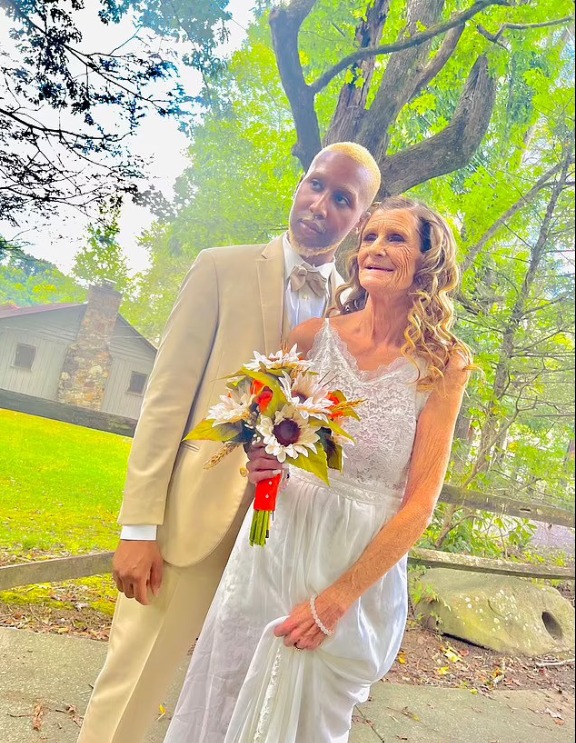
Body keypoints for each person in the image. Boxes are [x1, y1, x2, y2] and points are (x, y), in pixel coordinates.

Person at [77, 142, 382, 743]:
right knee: (133, 683)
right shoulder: (220, 268)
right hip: (192, 524)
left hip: (284, 542)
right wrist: (138, 527)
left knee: (241, 702)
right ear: (301, 183)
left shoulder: (355, 310)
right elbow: (165, 401)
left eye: (343, 199)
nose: (321, 205)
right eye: (316, 184)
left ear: (361, 218)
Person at [164, 196, 473, 742]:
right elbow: (269, 437)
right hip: (272, 544)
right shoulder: (309, 338)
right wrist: (259, 459)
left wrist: (337, 599)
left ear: (428, 260)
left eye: (396, 238)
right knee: (229, 686)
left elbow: (420, 504)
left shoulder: (443, 364)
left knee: (313, 721)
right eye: (369, 237)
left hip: (352, 563)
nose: (375, 248)